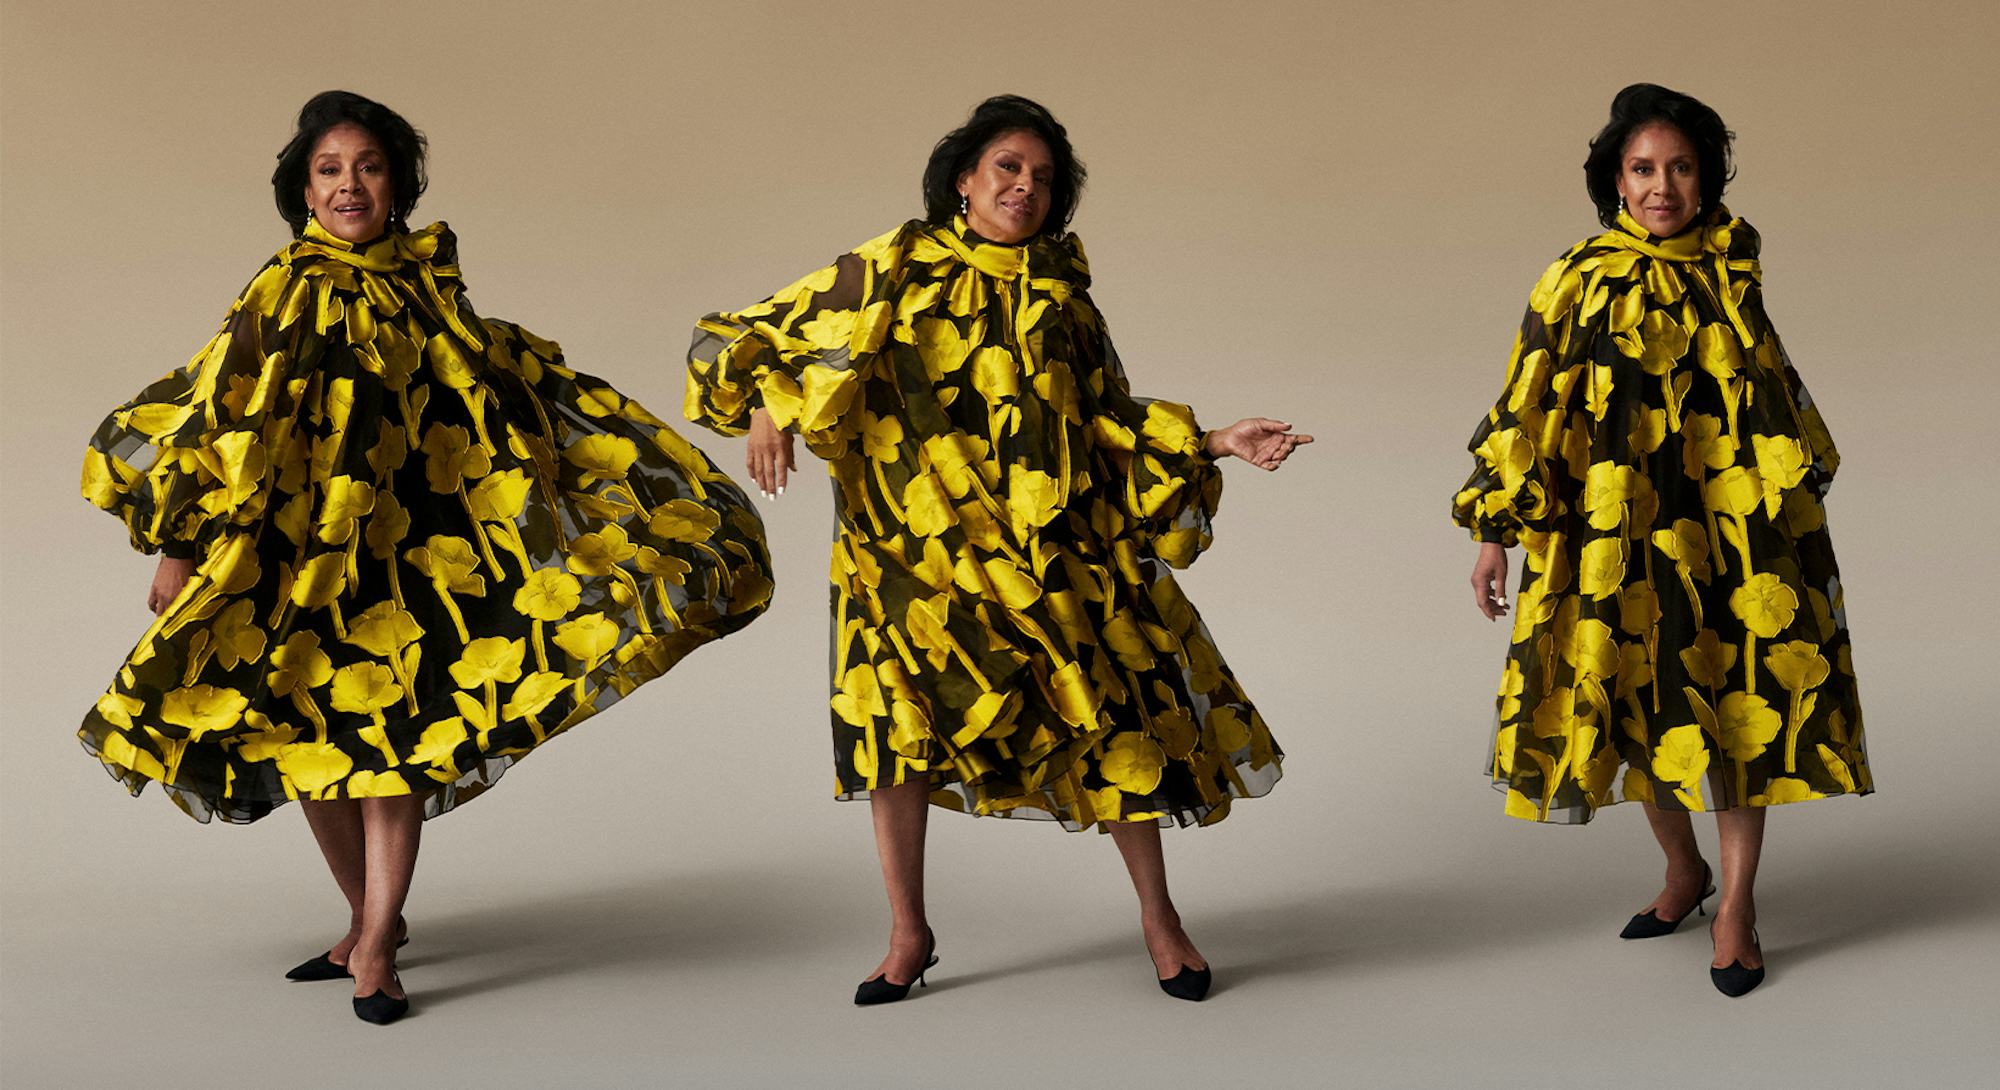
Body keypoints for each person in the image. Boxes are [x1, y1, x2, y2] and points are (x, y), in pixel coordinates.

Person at [79, 90, 773, 1024]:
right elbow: (221, 416)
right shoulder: (283, 290)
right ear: (304, 190)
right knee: (305, 739)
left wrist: (562, 476)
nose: (349, 185)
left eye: (367, 166)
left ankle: (374, 943)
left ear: (397, 181)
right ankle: (371, 918)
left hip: (412, 554)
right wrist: (174, 543)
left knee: (401, 741)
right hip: (297, 553)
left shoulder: (428, 283)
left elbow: (483, 386)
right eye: (329, 171)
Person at [686, 95, 1309, 1004]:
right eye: (1009, 168)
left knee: (1111, 716)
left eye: (1045, 178)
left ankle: (1160, 921)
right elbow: (741, 337)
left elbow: (1105, 422)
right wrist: (769, 404)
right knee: (898, 735)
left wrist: (1213, 439)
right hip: (906, 550)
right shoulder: (893, 267)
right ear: (964, 181)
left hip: (1043, 547)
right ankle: (908, 933)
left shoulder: (1064, 298)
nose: (1026, 186)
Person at [1453, 83, 1869, 997]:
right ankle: (1686, 874)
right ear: (1614, 179)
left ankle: (1737, 909)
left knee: (1738, 707)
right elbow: (1526, 403)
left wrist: (1791, 506)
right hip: (1617, 533)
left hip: (1733, 533)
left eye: (1681, 168)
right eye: (1643, 169)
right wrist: (1493, 531)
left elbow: (1773, 390)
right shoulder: (1575, 277)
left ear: (1707, 178)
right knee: (1638, 705)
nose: (1662, 187)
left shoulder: (1731, 269)